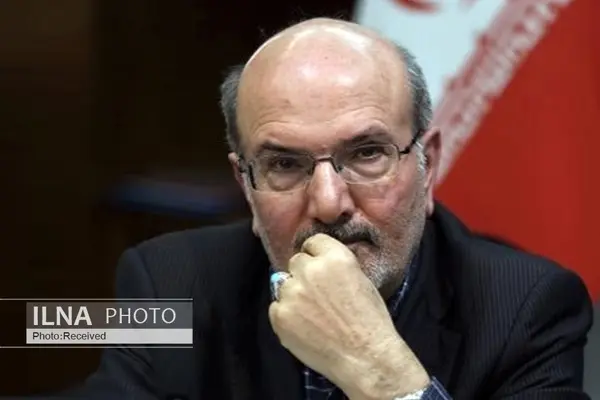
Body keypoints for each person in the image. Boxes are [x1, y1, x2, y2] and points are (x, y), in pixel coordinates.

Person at [53, 17, 592, 399]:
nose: (329, 203)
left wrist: (381, 374)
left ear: (427, 167)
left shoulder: (524, 307)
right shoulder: (170, 284)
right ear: (246, 185)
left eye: (367, 154)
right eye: (285, 165)